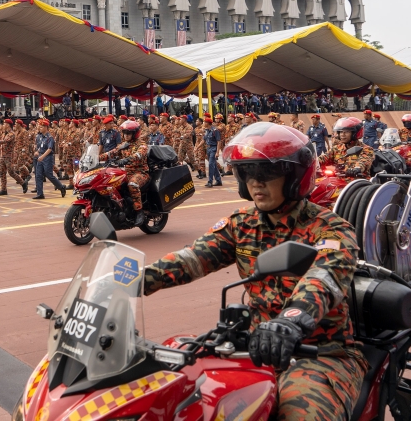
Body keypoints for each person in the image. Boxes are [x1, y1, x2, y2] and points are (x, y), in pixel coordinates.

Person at [144, 123, 366, 421]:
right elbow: (191, 259)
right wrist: (128, 281)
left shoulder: (330, 229)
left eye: (266, 174)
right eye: (247, 173)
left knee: (301, 416)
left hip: (318, 352)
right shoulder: (242, 224)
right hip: (253, 346)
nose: (255, 183)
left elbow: (324, 279)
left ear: (294, 176)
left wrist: (291, 321)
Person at [100, 120, 148, 224]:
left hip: (140, 172)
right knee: (109, 184)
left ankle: (139, 211)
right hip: (126, 173)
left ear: (135, 133)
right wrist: (96, 158)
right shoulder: (123, 145)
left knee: (132, 184)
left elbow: (139, 155)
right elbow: (111, 153)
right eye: (125, 133)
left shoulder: (142, 144)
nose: (126, 135)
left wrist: (125, 160)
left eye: (129, 133)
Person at [32, 119, 66, 200]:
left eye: (42, 126)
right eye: (39, 126)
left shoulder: (49, 137)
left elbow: (50, 149)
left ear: (46, 127)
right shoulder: (39, 137)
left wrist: (42, 156)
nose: (40, 128)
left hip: (47, 158)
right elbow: (40, 147)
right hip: (40, 157)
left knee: (49, 175)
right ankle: (40, 194)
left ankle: (61, 187)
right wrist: (37, 152)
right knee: (38, 175)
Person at [204, 115, 223, 187]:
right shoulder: (206, 131)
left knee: (211, 165)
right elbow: (204, 140)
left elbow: (219, 141)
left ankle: (210, 181)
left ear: (208, 123)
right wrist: (197, 147)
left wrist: (217, 152)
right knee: (213, 164)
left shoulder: (215, 131)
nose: (203, 123)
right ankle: (218, 180)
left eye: (204, 122)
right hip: (208, 148)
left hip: (213, 148)